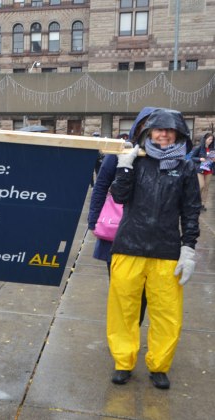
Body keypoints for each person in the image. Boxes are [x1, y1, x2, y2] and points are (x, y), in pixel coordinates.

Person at [107, 108, 201, 390]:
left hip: (166, 250)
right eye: (159, 130)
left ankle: (159, 366)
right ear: (149, 133)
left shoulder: (185, 168)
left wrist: (189, 248)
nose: (164, 134)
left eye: (170, 131)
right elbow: (120, 197)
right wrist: (124, 167)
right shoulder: (136, 162)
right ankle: (123, 362)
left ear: (179, 135)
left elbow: (191, 210)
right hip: (129, 246)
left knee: (167, 314)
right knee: (123, 309)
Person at [88, 107, 156, 326]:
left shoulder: (168, 158)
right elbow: (101, 187)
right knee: (119, 288)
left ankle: (132, 328)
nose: (151, 130)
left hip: (149, 234)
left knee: (144, 290)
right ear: (138, 127)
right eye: (146, 124)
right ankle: (121, 332)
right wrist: (93, 219)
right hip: (117, 232)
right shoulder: (120, 153)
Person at [190, 132, 214, 211]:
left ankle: (202, 204)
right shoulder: (199, 147)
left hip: (209, 170)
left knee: (206, 188)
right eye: (209, 139)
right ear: (205, 139)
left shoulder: (212, 149)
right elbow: (192, 157)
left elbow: (212, 159)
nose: (211, 141)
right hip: (200, 169)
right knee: (201, 186)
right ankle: (195, 202)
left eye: (212, 139)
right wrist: (200, 159)